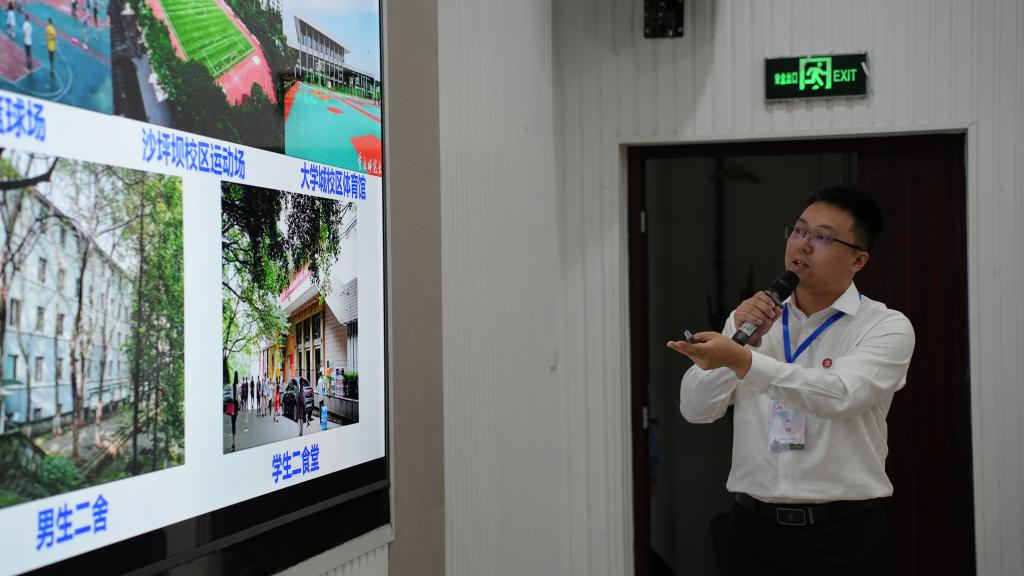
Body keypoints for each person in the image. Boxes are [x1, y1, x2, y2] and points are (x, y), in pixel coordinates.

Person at [667, 185, 914, 576]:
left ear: (858, 260)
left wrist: (744, 360)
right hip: (751, 534)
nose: (804, 245)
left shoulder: (885, 326)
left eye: (823, 238)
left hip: (844, 538)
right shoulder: (752, 320)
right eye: (799, 231)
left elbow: (839, 395)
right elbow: (696, 409)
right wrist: (741, 340)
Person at [228, 372, 240, 451]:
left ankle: (233, 442)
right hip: (236, 405)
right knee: (235, 423)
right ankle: (234, 442)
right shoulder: (238, 386)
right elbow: (238, 398)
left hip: (232, 405)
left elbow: (231, 397)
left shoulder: (232, 386)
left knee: (232, 423)